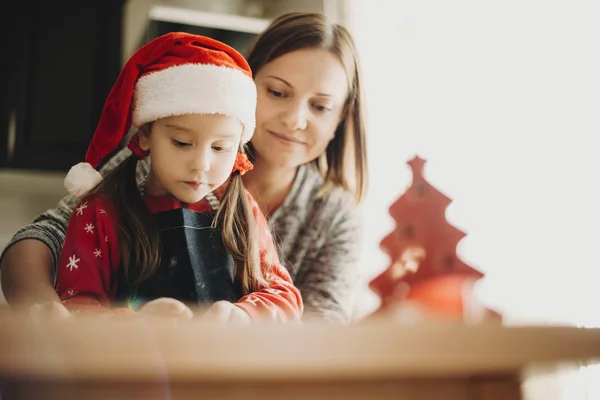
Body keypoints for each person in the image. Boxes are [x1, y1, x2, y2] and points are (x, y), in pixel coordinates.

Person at [0, 12, 367, 323]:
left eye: (320, 106)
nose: (294, 119)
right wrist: (51, 313)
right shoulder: (143, 169)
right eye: (278, 92)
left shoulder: (328, 216)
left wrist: (240, 322)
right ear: (243, 88)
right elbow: (47, 237)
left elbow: (320, 330)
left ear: (341, 119)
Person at [48, 32, 302, 322]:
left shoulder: (242, 212)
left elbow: (284, 296)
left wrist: (242, 317)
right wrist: (129, 323)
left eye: (221, 148)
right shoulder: (100, 214)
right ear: (144, 135)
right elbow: (76, 305)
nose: (201, 164)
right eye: (182, 143)